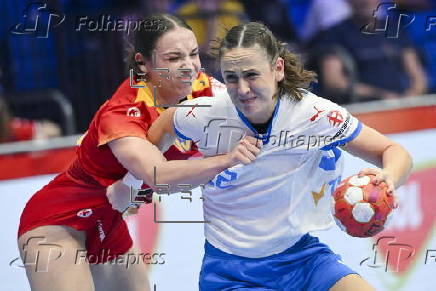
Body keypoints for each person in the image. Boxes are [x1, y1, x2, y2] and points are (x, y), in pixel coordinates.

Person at [116, 22, 412, 290]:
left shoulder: (315, 114)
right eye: (231, 78)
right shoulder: (205, 114)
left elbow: (393, 151)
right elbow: (160, 130)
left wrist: (389, 177)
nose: (242, 89)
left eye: (252, 75)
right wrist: (133, 189)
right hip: (232, 273)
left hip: (303, 259)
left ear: (278, 69)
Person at [17, 13, 261, 291]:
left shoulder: (204, 89)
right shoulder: (121, 114)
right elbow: (160, 177)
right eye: (173, 58)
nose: (188, 67)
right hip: (59, 221)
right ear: (143, 64)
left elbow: (261, 111)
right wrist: (228, 159)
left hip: (108, 224)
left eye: (193, 54)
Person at [314, 0, 427, 103]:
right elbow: (334, 81)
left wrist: (411, 96)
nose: (365, 2)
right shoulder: (335, 34)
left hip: (399, 106)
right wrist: (381, 96)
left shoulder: (393, 28)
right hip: (361, 110)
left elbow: (417, 75)